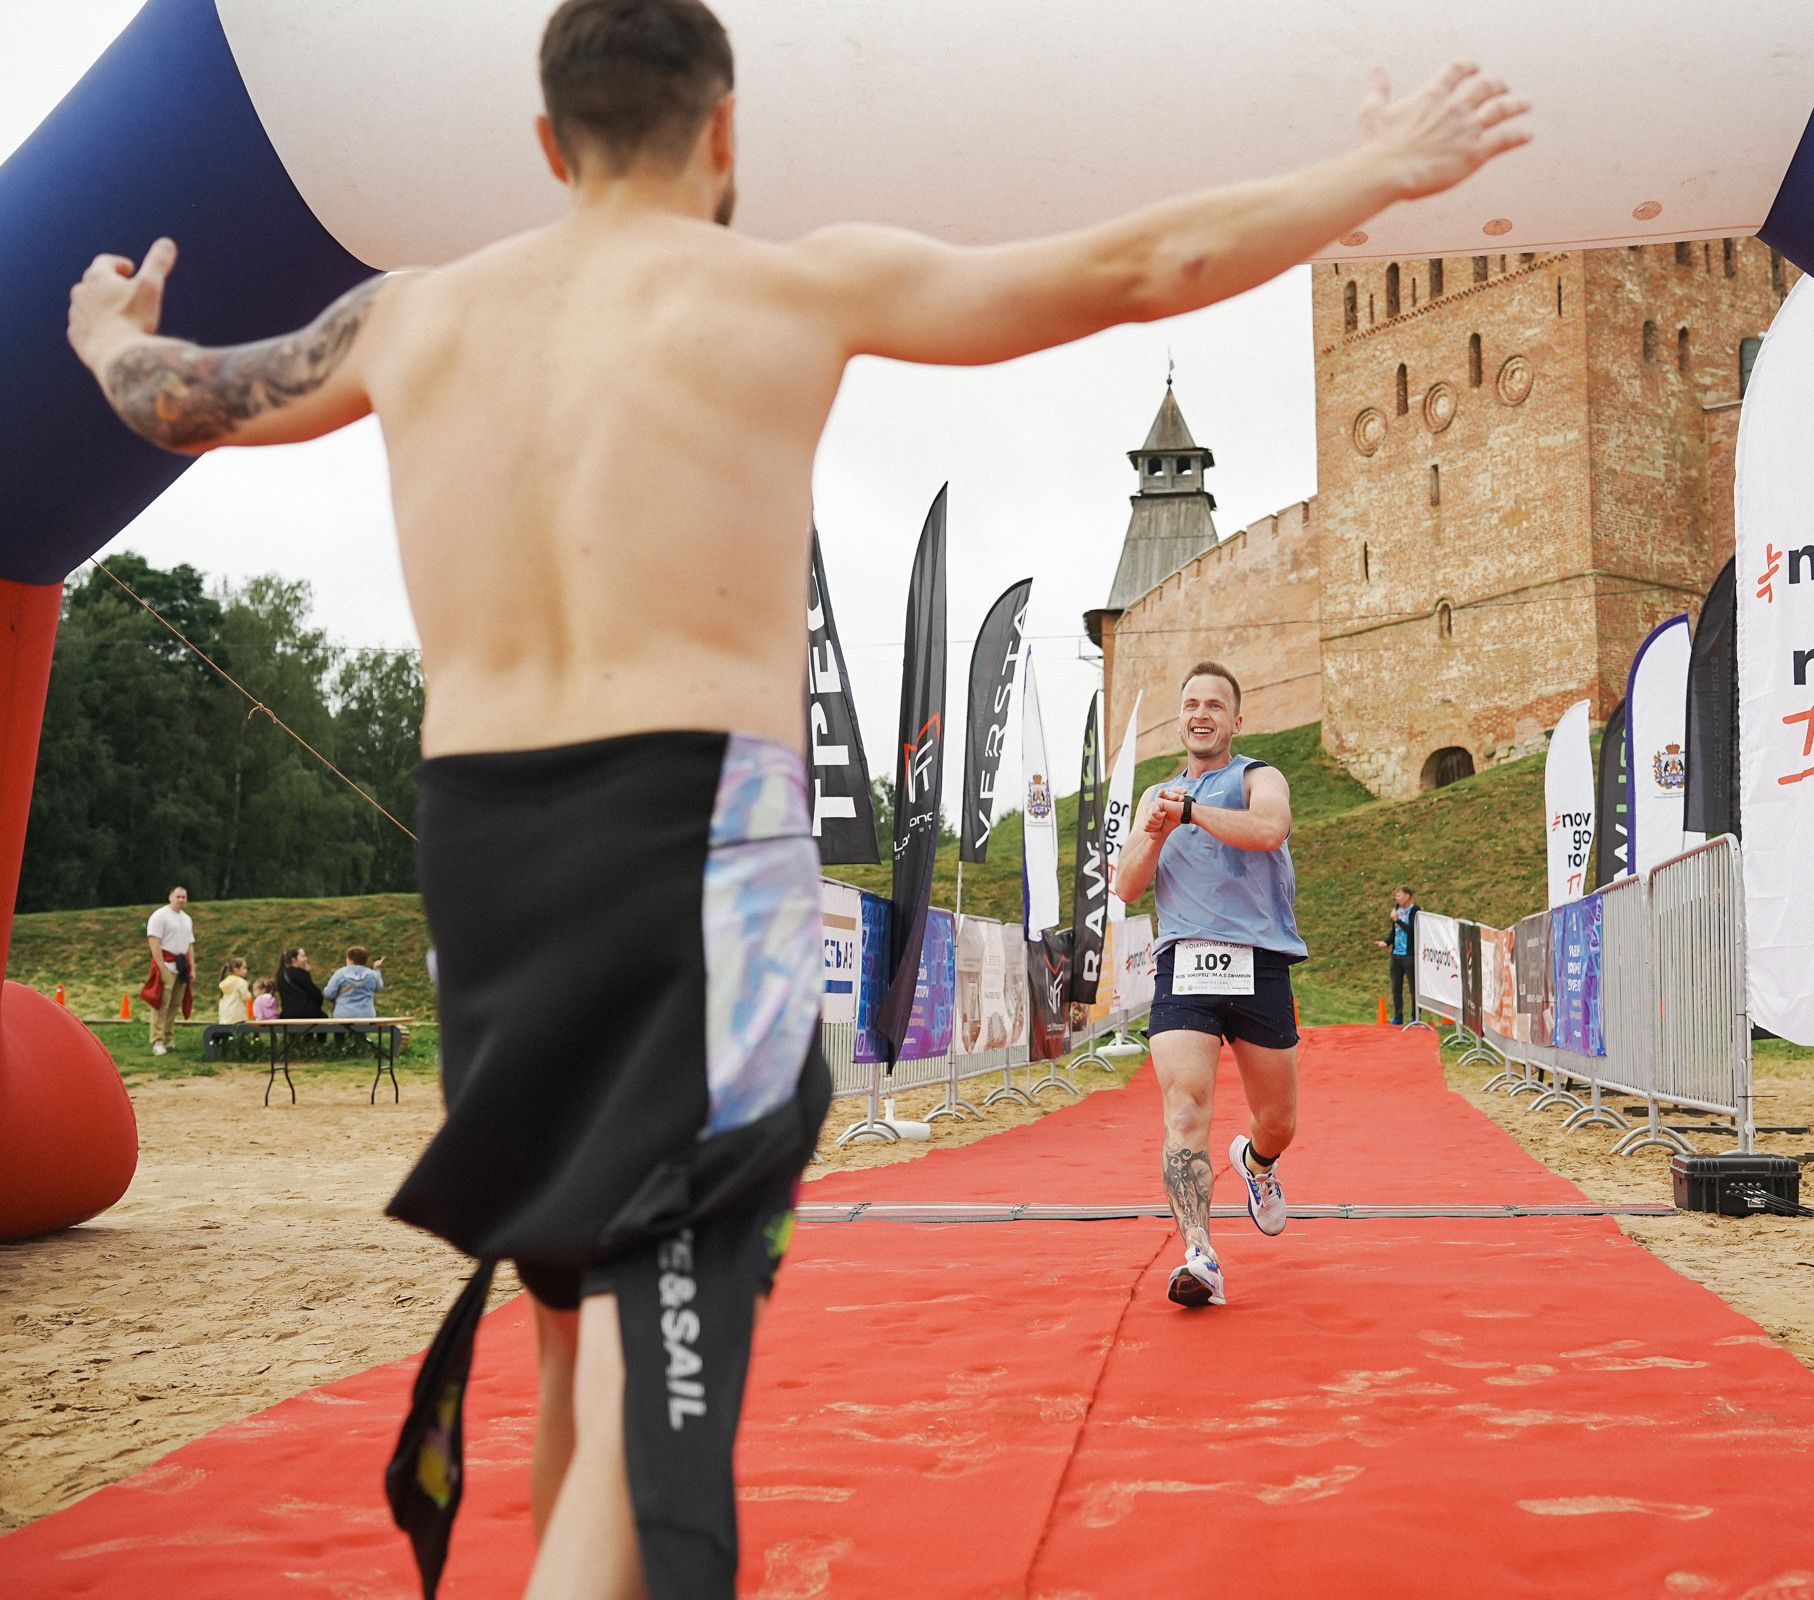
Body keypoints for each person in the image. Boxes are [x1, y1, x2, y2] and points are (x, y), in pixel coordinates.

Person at [64, 3, 1530, 1589]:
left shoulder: (409, 318)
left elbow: (181, 396)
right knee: (662, 1369)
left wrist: (100, 332)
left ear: (549, 147)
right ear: (727, 136)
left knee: (578, 1317)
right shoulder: (786, 283)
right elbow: (1140, 268)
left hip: (486, 848)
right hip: (700, 842)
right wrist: (1377, 169)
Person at [1111, 663, 1308, 1311]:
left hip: (1260, 960)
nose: (1202, 714)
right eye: (1191, 704)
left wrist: (1192, 813)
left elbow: (1268, 831)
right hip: (1184, 964)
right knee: (1185, 1110)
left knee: (1278, 1122)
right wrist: (1157, 828)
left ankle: (1256, 1164)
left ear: (1235, 721)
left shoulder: (1258, 778)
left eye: (1215, 706)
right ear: (1181, 718)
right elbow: (1128, 884)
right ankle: (1199, 1252)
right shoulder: (1157, 795)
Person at [143, 886, 196, 1056]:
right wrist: (161, 966)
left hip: (181, 966)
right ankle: (157, 1040)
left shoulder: (186, 919)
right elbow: (154, 942)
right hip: (166, 964)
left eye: (183, 897)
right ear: (170, 897)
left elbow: (190, 945)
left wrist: (192, 967)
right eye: (178, 896)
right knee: (161, 1004)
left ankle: (168, 1036)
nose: (181, 900)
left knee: (174, 1004)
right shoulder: (160, 916)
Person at [1374, 884, 1417, 1023]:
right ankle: (1398, 1016)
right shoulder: (1397, 910)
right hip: (1396, 955)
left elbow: (1411, 930)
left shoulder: (1415, 911)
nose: (1397, 899)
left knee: (1413, 987)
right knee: (1396, 986)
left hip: (1409, 955)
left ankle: (1415, 1017)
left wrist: (1397, 920)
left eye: (1399, 896)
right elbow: (1395, 931)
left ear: (1407, 896)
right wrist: (1386, 943)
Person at [202, 957, 252, 1060]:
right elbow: (245, 997)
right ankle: (244, 1053)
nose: (246, 970)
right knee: (244, 1033)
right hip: (238, 1017)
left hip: (225, 1018)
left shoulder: (225, 982)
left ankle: (223, 1052)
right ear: (236, 970)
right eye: (244, 968)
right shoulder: (241, 982)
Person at [324, 945, 386, 1017]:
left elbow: (328, 994)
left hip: (343, 1014)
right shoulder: (372, 974)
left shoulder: (340, 974)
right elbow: (379, 988)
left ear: (351, 960)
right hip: (366, 1015)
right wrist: (376, 970)